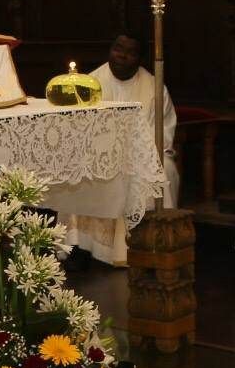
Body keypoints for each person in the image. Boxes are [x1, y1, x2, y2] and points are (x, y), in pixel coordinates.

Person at [61, 34, 178, 266]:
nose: (122, 56)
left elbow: (163, 134)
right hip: (99, 156)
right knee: (77, 169)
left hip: (141, 155)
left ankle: (154, 244)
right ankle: (80, 246)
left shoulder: (155, 88)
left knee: (167, 170)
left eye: (130, 52)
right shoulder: (90, 83)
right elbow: (80, 132)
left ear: (140, 58)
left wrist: (132, 152)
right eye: (118, 49)